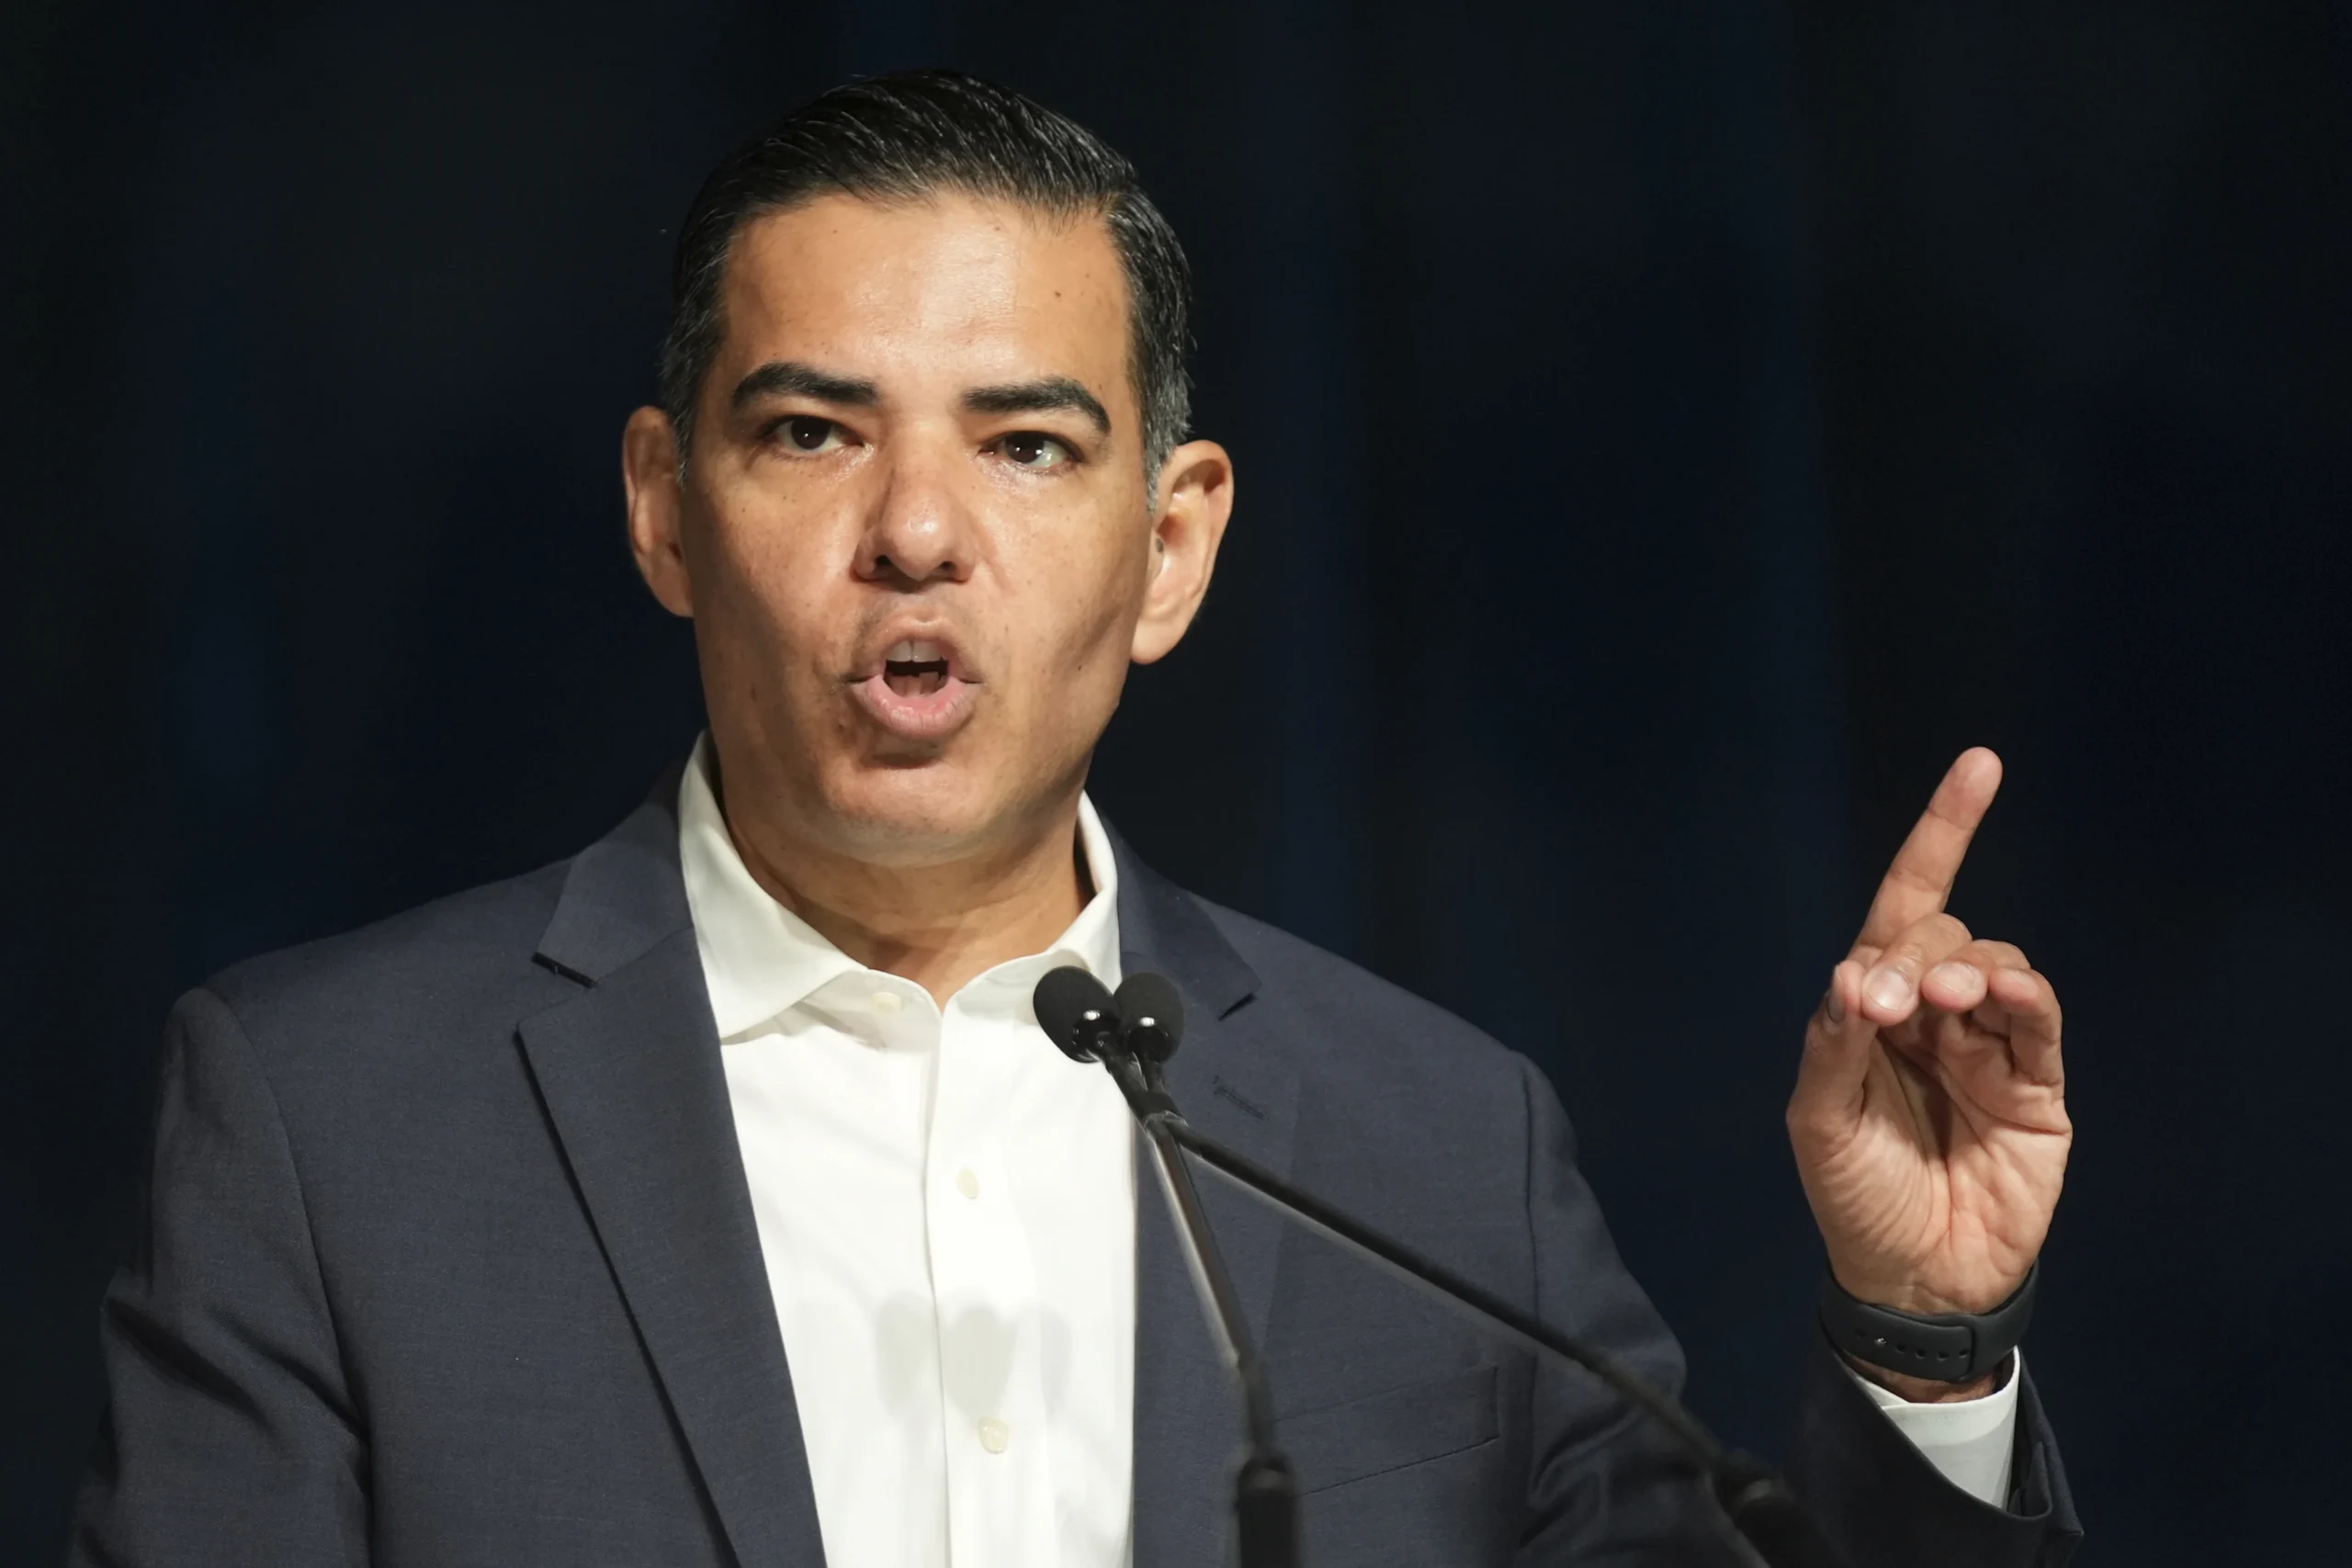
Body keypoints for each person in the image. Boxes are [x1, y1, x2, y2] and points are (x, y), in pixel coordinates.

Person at [72, 71, 2079, 1568]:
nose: (915, 532)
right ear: (666, 508)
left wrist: (1920, 1336)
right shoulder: (330, 1122)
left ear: (1170, 546)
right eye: (810, 431)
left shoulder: (1437, 1150)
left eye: (1025, 444)